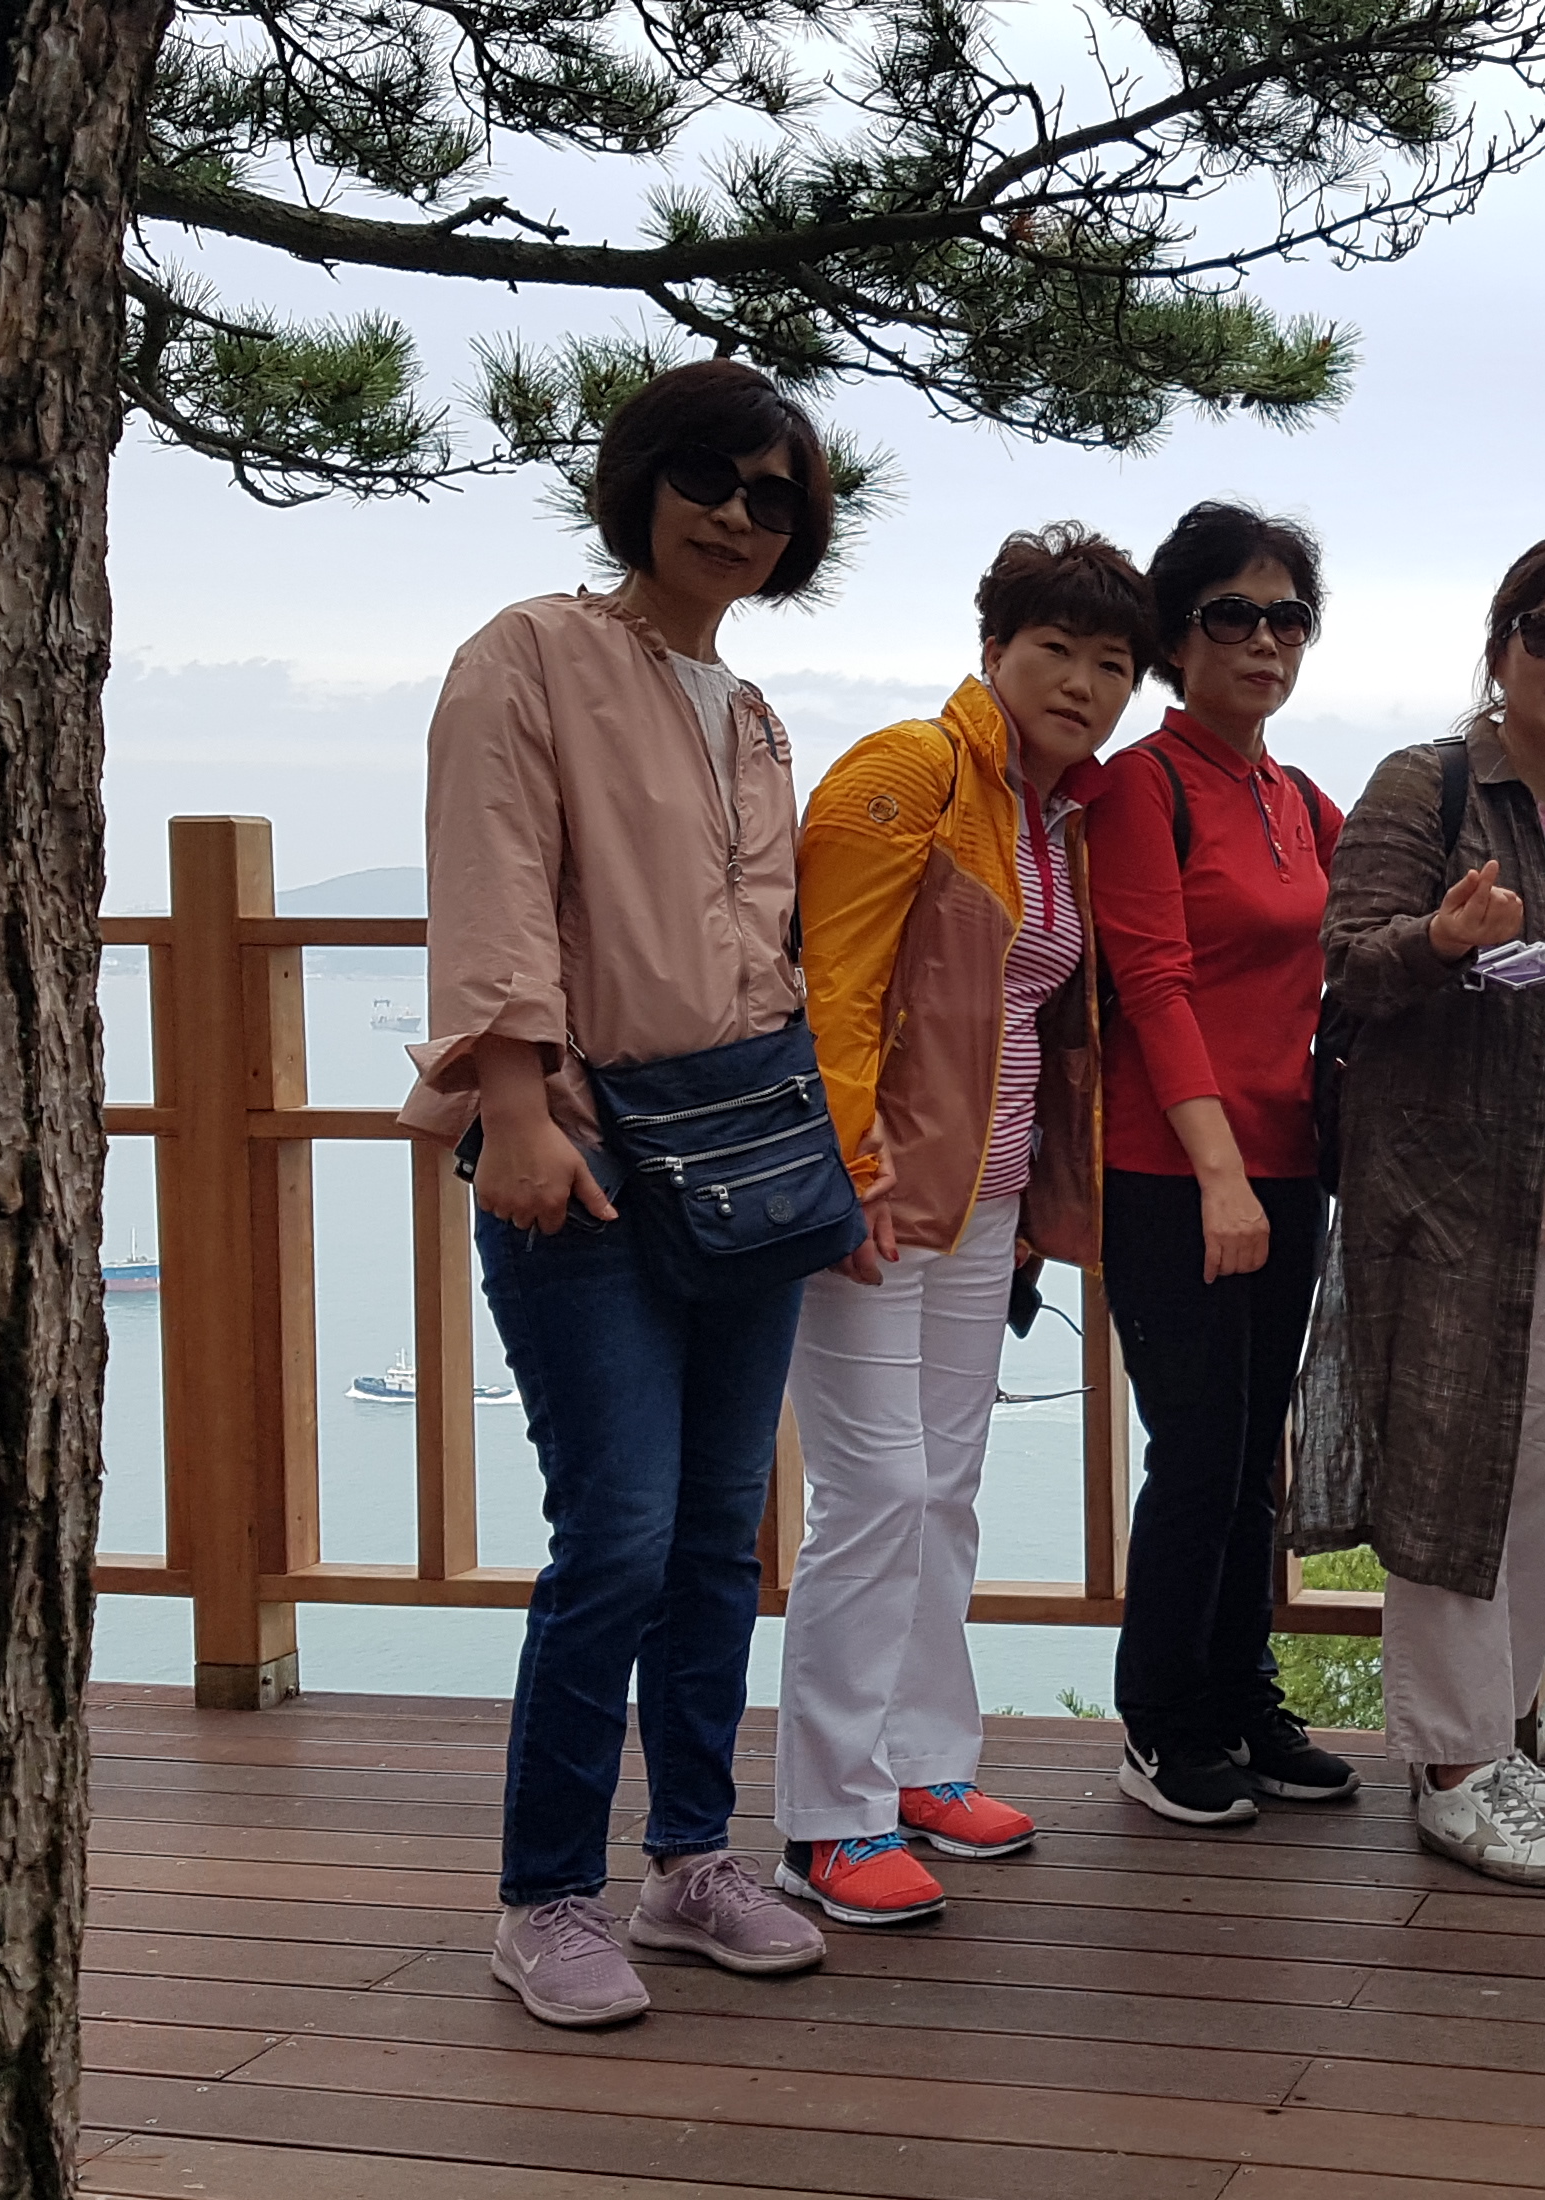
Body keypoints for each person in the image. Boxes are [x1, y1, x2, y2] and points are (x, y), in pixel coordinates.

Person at [404, 358, 838, 2029]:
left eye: (774, 497)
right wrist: (515, 1110)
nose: (738, 516)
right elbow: (496, 880)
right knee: (618, 1535)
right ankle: (545, 1896)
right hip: (581, 1151)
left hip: (741, 1157)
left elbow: (766, 949)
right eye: (708, 478)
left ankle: (692, 1859)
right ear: (641, 481)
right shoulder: (530, 654)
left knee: (721, 1532)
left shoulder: (757, 714)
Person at [769, 525, 1152, 1925]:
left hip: (985, 1199)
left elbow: (1036, 1018)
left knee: (945, 1484)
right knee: (873, 1492)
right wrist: (843, 1168)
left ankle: (924, 1763)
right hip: (874, 1195)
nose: (1082, 683)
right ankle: (829, 1819)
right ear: (993, 649)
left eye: (1112, 663)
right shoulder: (910, 771)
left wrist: (1039, 1201)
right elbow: (833, 988)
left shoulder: (1056, 817)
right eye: (1054, 649)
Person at [1291, 536, 1545, 1887]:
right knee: (1448, 1477)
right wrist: (1442, 939)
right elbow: (1348, 968)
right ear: (1501, 646)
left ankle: (1500, 1731)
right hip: (1442, 1201)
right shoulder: (1430, 785)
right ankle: (1451, 1770)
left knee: (1538, 1486)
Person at [1093, 500, 1361, 1825]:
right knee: (1197, 1450)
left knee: (1255, 1452)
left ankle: (1240, 1694)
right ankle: (1162, 1723)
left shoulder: (1298, 799)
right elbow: (1152, 981)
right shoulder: (1141, 786)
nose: (1265, 640)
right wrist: (1216, 1174)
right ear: (1176, 636)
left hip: (1287, 1163)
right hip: (1174, 1171)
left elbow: (1375, 931)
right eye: (1233, 615)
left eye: (1288, 617)